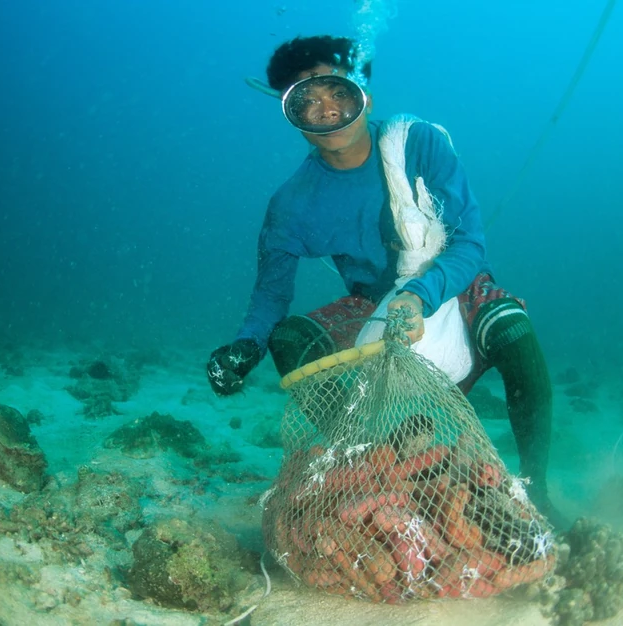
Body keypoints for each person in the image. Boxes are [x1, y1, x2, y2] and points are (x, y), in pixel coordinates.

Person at [206, 35, 567, 529]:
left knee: (509, 324)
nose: (325, 109)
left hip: (450, 284)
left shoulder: (417, 143)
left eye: (336, 92)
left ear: (365, 97)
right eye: (305, 100)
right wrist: (244, 347)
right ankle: (382, 463)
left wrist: (420, 294)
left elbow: (469, 244)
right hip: (372, 307)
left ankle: (535, 489)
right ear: (289, 112)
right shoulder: (291, 204)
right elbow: (271, 295)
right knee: (288, 338)